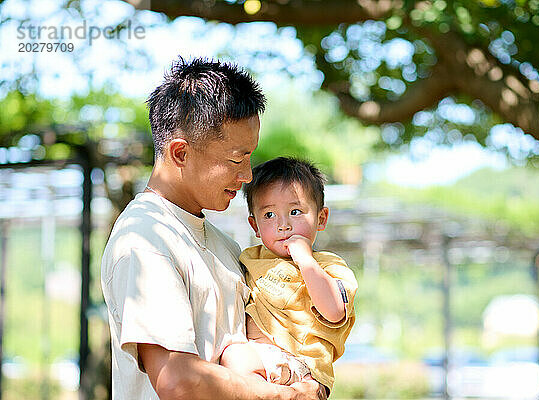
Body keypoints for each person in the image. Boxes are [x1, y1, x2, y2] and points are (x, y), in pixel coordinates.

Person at [100, 58, 326, 400]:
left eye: (250, 157)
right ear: (180, 153)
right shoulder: (145, 239)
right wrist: (284, 396)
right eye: (237, 159)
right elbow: (178, 380)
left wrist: (312, 381)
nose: (248, 175)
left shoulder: (227, 247)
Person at [220, 157, 358, 396]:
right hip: (262, 359)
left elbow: (335, 312)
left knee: (235, 359)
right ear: (254, 225)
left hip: (303, 365)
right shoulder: (249, 258)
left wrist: (306, 261)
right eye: (269, 215)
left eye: (295, 212)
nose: (283, 225)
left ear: (321, 218)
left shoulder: (329, 265)